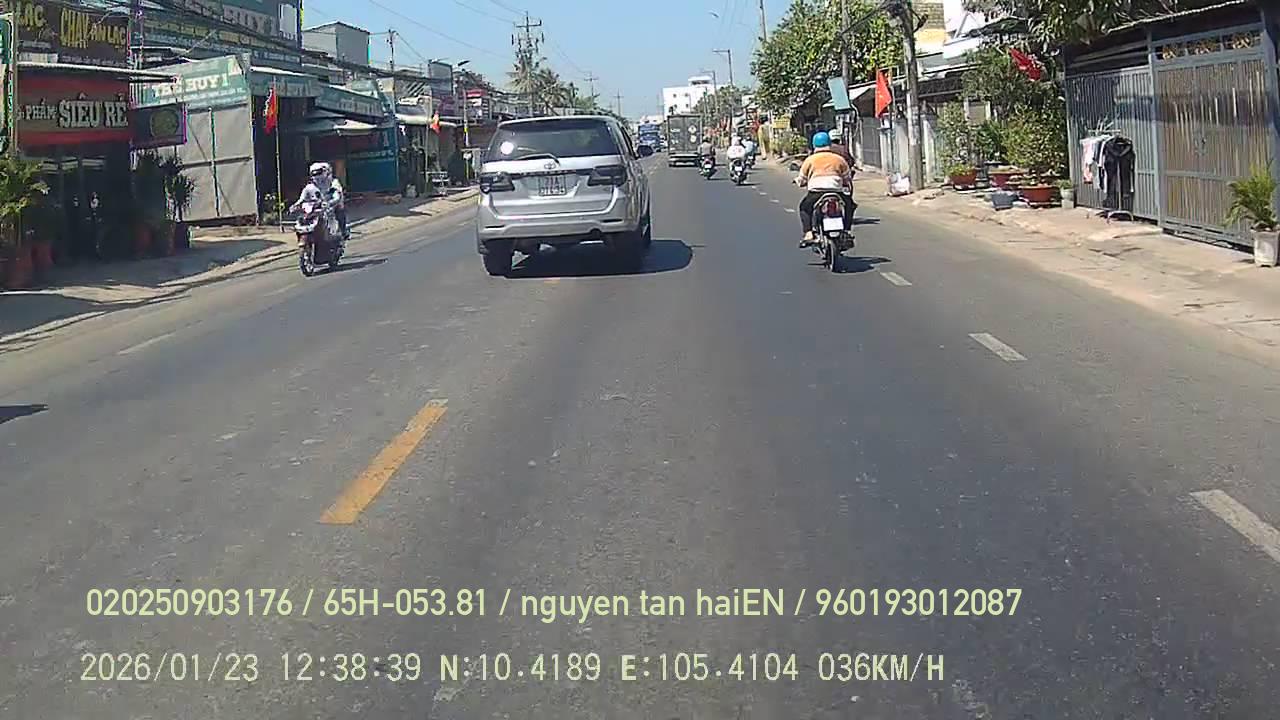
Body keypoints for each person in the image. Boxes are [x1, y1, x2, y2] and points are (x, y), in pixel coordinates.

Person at [794, 131, 854, 247]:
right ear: (829, 144)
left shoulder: (810, 160)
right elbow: (847, 178)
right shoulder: (839, 159)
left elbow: (802, 179)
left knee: (804, 208)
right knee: (850, 205)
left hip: (816, 192)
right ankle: (846, 230)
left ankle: (808, 233)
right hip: (836, 191)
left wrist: (798, 182)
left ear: (814, 145)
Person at [292, 162, 349, 245]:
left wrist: (331, 202)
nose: (316, 176)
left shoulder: (333, 182)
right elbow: (302, 198)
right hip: (316, 206)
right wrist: (296, 205)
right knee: (303, 216)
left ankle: (343, 231)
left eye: (318, 173)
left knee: (339, 209)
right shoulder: (310, 186)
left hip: (331, 205)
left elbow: (337, 196)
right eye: (314, 174)